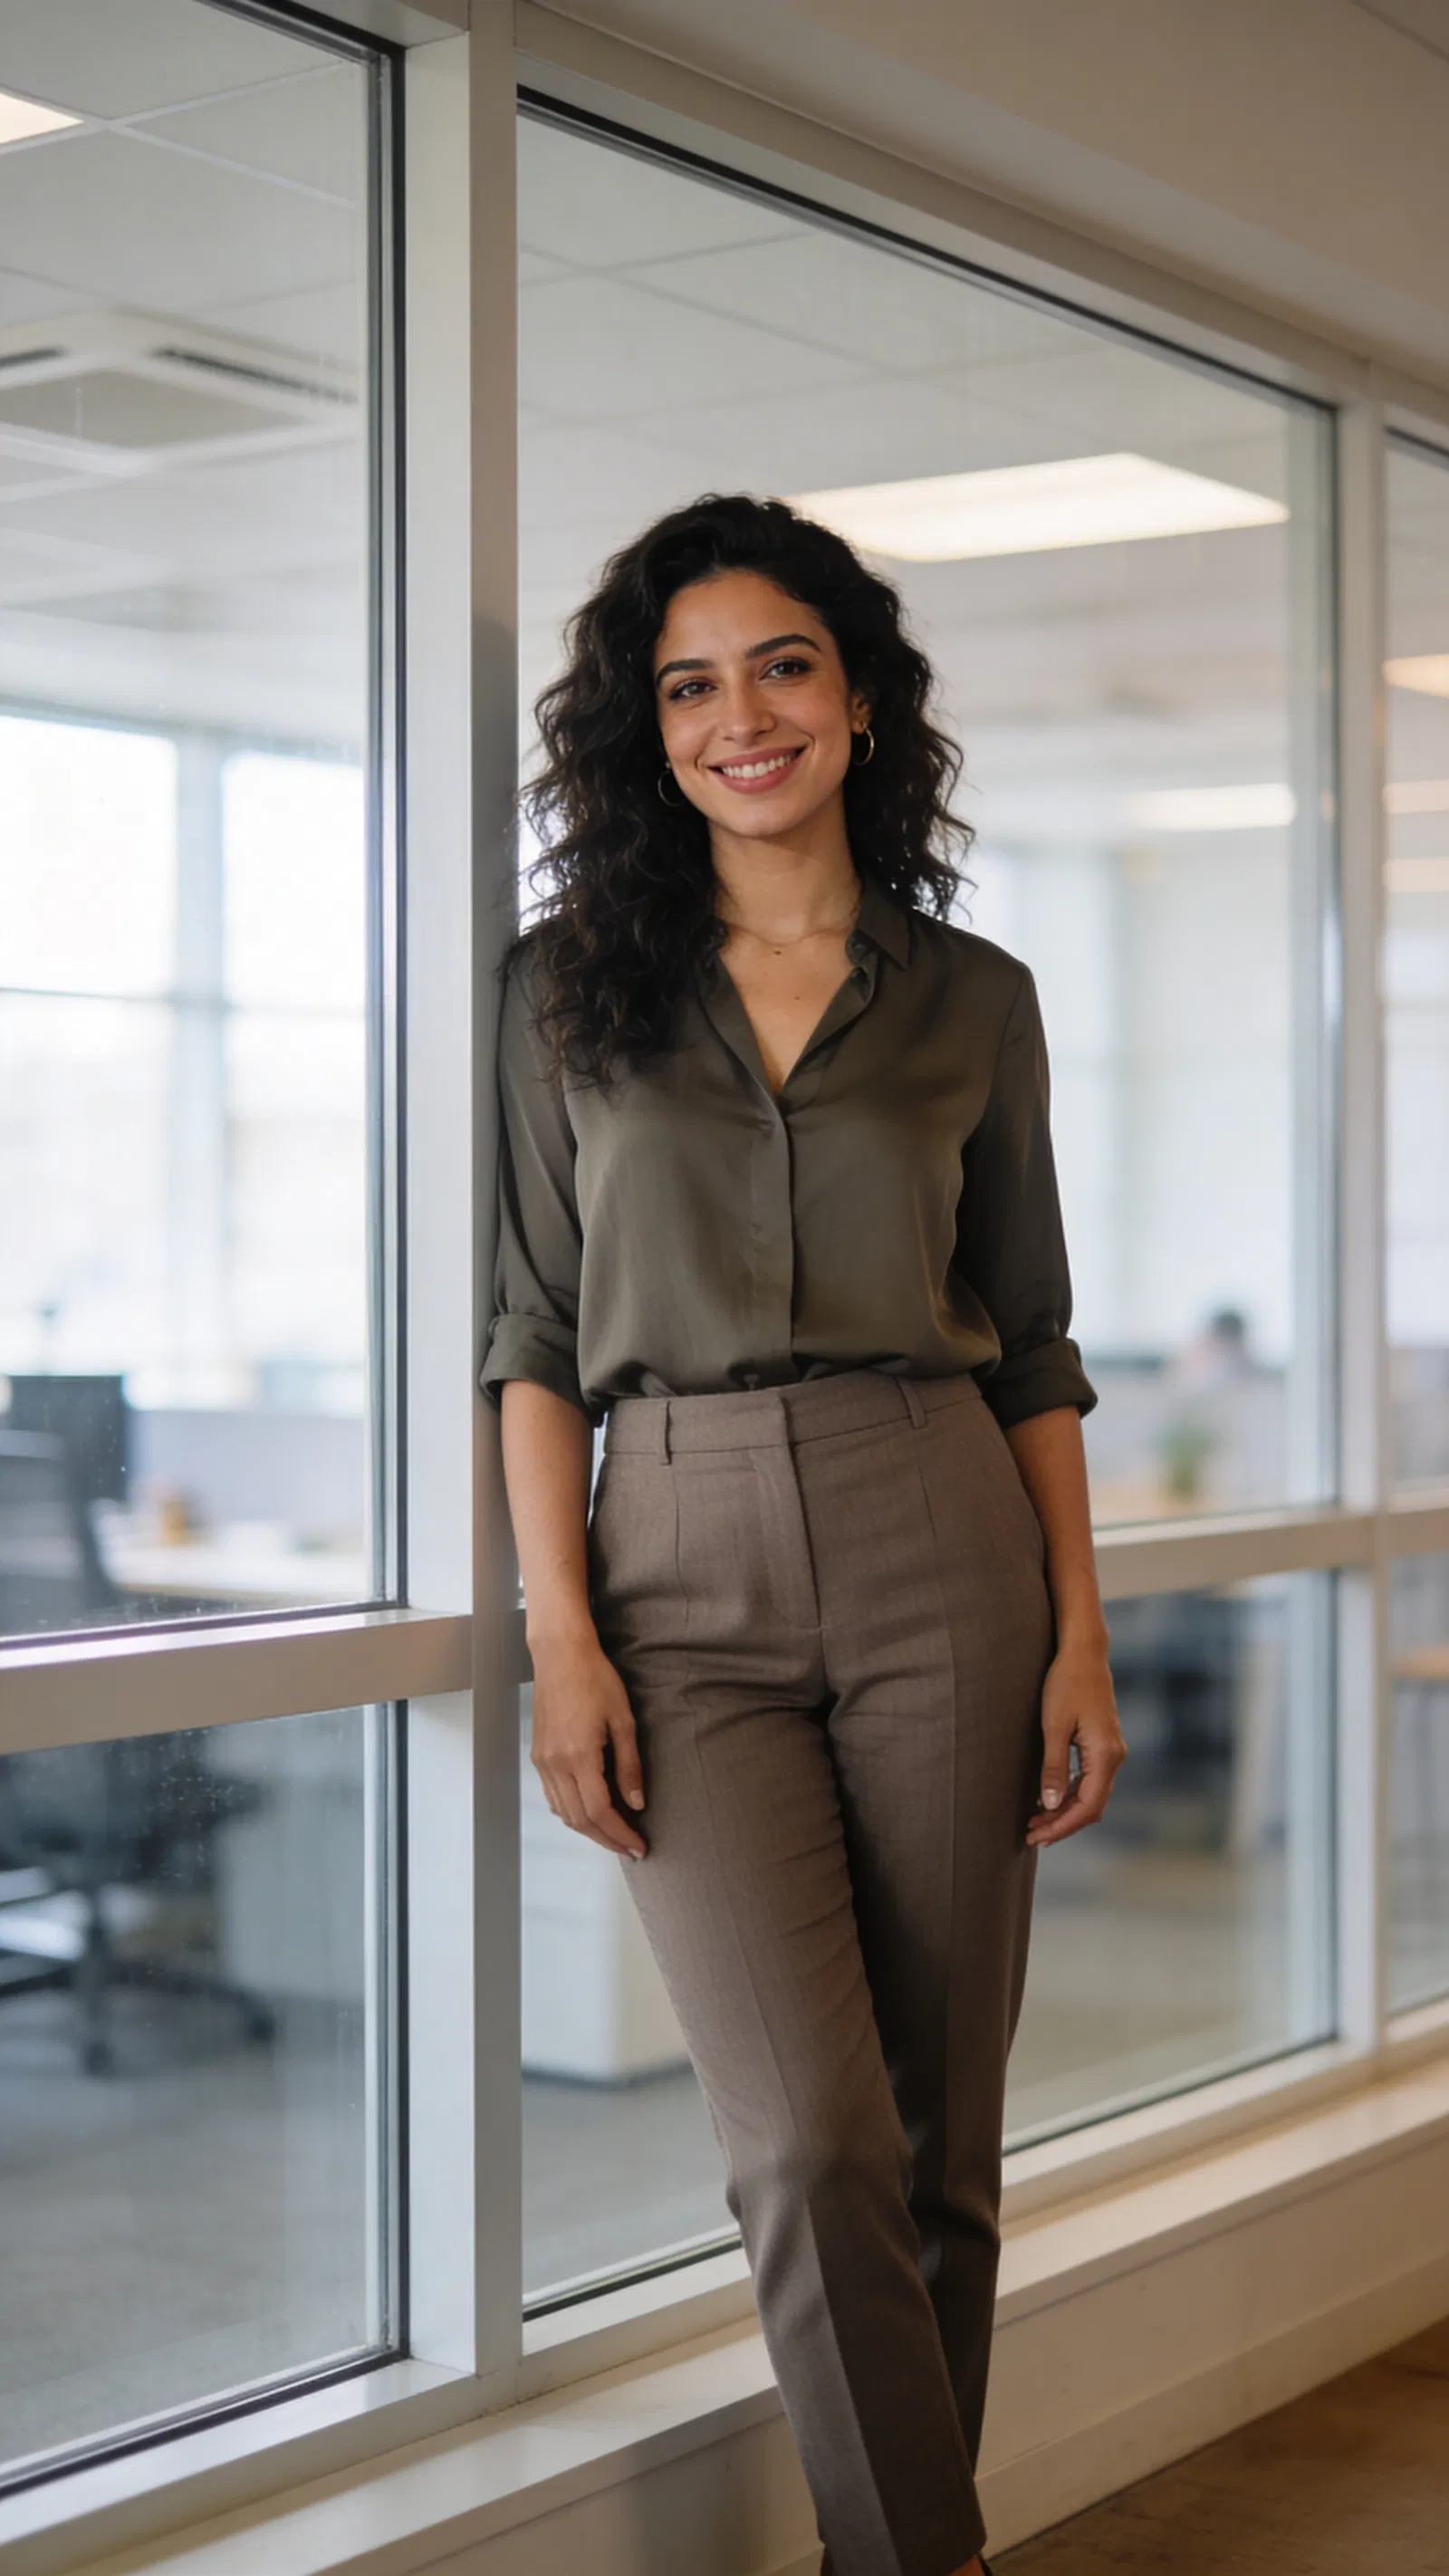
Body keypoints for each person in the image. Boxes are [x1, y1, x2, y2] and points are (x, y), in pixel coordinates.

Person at [482, 494, 1126, 2576]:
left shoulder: (974, 999)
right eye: (684, 683)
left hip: (941, 1519)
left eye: (778, 666)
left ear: (857, 700)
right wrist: (555, 1636)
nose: (736, 716)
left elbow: (1028, 1341)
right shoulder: (561, 993)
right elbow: (534, 1331)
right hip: (670, 1568)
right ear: (641, 732)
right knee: (806, 2136)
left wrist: (1079, 1637)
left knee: (939, 2138)